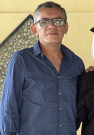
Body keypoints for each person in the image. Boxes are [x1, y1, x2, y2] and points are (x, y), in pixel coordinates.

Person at [0, 1, 84, 135]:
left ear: (66, 27)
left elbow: (80, 108)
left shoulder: (76, 64)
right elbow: (9, 109)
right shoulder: (21, 60)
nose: (51, 26)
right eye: (44, 22)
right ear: (34, 29)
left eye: (57, 21)